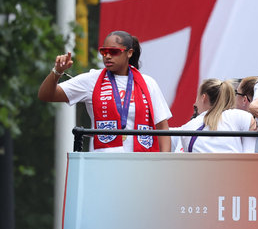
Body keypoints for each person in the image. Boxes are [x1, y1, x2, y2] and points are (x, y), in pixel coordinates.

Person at [38, 30, 172, 152]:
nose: (107, 56)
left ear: (129, 53)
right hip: (104, 164)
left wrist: (164, 161)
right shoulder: (91, 79)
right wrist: (57, 72)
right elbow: (46, 95)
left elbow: (162, 127)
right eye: (103, 52)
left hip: (141, 165)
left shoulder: (148, 83)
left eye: (113, 52)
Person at [179, 79, 257, 153]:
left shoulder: (188, 127)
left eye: (197, 97)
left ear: (203, 98)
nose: (195, 104)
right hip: (240, 166)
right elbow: (250, 154)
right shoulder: (243, 116)